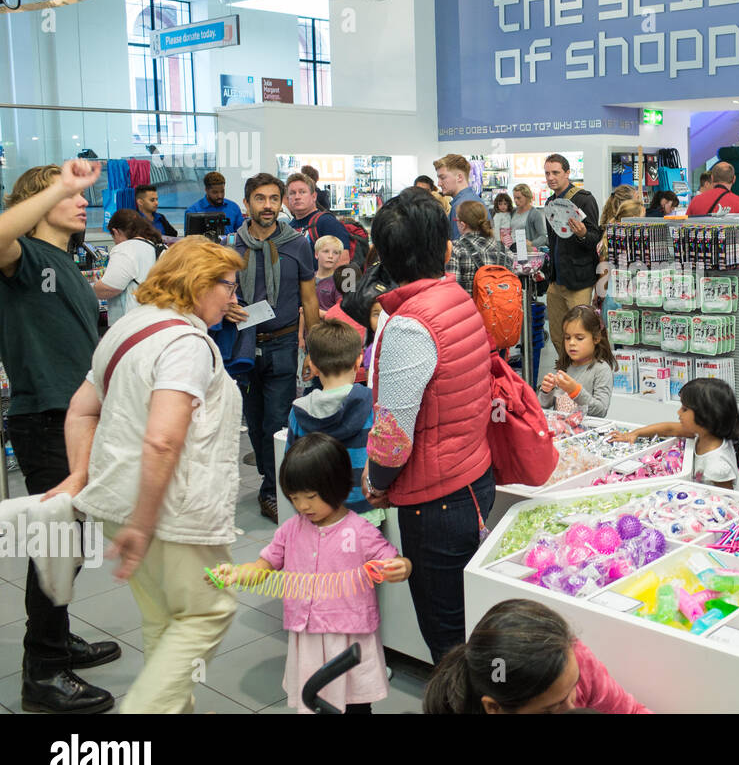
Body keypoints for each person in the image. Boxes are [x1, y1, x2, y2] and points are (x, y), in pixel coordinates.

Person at [65, 236, 246, 713]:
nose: (233, 297)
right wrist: (144, 524)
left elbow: (81, 411)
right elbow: (164, 439)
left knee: (163, 619)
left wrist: (81, 477)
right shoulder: (186, 344)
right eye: (228, 286)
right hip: (172, 512)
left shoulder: (129, 327)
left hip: (120, 500)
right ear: (198, 284)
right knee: (207, 612)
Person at [0, 160, 120, 714]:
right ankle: (43, 673)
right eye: (67, 195)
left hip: (74, 418)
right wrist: (62, 182)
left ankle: (56, 639)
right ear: (36, 200)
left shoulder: (63, 263)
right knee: (55, 546)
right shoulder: (22, 258)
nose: (81, 202)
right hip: (46, 418)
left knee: (70, 545)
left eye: (80, 194)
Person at [365, 186, 495, 664]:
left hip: (435, 499)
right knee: (468, 626)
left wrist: (377, 479)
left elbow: (392, 435)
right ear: (444, 249)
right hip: (471, 477)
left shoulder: (407, 325)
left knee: (448, 640)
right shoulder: (454, 296)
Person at [216, 433, 411, 714]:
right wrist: (236, 573)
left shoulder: (359, 531)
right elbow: (262, 568)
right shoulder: (290, 530)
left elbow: (395, 562)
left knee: (355, 703)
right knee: (314, 700)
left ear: (337, 487)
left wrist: (401, 567)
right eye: (294, 498)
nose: (303, 506)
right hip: (307, 635)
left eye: (310, 497)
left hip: (348, 638)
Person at [226, 172, 322, 521]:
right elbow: (218, 294)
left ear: (281, 203)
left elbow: (310, 300)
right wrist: (226, 305)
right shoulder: (231, 247)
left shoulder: (297, 243)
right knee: (253, 423)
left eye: (273, 199)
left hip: (282, 343)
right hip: (245, 346)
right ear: (247, 203)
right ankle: (271, 481)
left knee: (277, 422)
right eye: (260, 199)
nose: (267, 206)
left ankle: (275, 491)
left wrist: (313, 350)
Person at [423, 599, 648, 714]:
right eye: (551, 710)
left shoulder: (574, 658)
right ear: (494, 709)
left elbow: (631, 710)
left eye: (574, 686)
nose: (573, 708)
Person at [288, 319, 375, 517]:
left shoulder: (299, 412)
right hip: (364, 509)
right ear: (358, 362)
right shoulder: (372, 404)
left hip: (317, 510)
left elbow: (291, 468)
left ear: (314, 367)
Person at [611, 378, 739, 491]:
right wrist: (635, 433)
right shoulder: (705, 434)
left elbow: (729, 501)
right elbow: (669, 429)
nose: (679, 412)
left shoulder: (717, 465)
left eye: (685, 409)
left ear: (706, 416)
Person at [540, 154, 602, 357]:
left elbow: (595, 238)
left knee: (580, 336)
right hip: (556, 280)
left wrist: (583, 234)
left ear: (567, 173)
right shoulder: (550, 201)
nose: (550, 177)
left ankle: (584, 381)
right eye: (547, 173)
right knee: (558, 336)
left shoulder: (584, 199)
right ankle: (566, 378)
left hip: (579, 281)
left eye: (555, 172)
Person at [538, 305, 614, 417]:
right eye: (567, 338)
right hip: (562, 430)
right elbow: (542, 405)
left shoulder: (601, 369)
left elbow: (601, 411)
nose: (572, 343)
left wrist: (575, 391)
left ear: (596, 338)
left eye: (579, 338)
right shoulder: (565, 365)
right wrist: (546, 391)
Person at [94, 209, 164, 325]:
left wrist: (90, 289)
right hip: (157, 320)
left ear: (116, 232)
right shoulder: (158, 247)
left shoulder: (125, 249)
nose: (115, 242)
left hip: (132, 324)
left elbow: (109, 288)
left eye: (113, 237)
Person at [448, 200, 514, 296]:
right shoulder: (504, 250)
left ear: (462, 225)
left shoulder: (456, 249)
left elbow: (452, 293)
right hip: (502, 309)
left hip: (470, 310)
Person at [285, 172, 355, 263]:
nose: (297, 197)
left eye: (302, 192)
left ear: (314, 196)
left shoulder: (327, 222)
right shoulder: (289, 227)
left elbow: (343, 260)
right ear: (288, 198)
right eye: (292, 193)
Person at [595, 193, 643, 317]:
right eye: (643, 217)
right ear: (633, 218)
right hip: (629, 299)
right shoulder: (637, 245)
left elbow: (603, 273)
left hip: (611, 298)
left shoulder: (607, 239)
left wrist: (599, 295)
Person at [436, 154, 482, 238]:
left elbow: (459, 247)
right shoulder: (473, 199)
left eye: (442, 178)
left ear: (459, 177)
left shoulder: (461, 206)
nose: (438, 184)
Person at [184, 171, 243, 236]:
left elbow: (241, 235)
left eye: (222, 191)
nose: (220, 196)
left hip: (228, 246)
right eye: (215, 192)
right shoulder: (193, 211)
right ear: (206, 190)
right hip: (202, 246)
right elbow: (189, 240)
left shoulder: (234, 207)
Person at [509, 183, 547, 250]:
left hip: (526, 252)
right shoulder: (513, 212)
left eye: (518, 198)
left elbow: (543, 237)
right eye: (514, 198)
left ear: (527, 197)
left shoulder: (534, 214)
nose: (515, 201)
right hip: (512, 250)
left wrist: (532, 243)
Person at [313, 234, 345, 311]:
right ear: (316, 254)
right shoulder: (308, 278)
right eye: (326, 251)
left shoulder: (340, 282)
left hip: (330, 322)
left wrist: (315, 312)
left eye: (335, 253)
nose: (330, 256)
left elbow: (342, 313)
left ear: (339, 257)